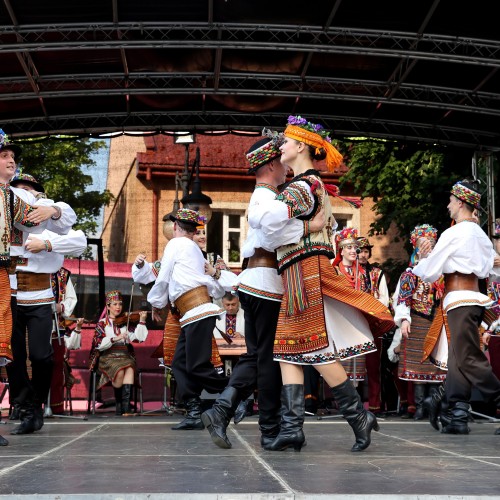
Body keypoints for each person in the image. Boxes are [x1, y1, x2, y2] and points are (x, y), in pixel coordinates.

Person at [248, 116, 394, 452]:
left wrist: (266, 213)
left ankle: (357, 417)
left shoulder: (302, 186)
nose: (279, 146)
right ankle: (293, 427)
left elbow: (265, 220)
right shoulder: (307, 185)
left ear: (300, 146)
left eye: (284, 141)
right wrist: (303, 228)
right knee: (287, 350)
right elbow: (273, 230)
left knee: (311, 347)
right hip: (297, 271)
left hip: (304, 272)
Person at [201, 134, 325, 449]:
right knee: (269, 359)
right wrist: (309, 227)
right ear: (271, 163)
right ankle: (266, 428)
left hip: (256, 280)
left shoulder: (265, 194)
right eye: (281, 162)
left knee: (258, 357)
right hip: (267, 280)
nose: (286, 168)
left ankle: (225, 409)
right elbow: (271, 234)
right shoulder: (268, 198)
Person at [0, 143, 77, 442]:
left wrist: (53, 210)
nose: (12, 162)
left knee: (38, 356)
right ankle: (23, 404)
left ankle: (32, 406)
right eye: (5, 157)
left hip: (28, 291)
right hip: (11, 286)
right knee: (12, 355)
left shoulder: (14, 199)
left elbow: (68, 230)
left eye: (13, 158)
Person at [413, 179, 499, 434]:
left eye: (451, 201)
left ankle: (490, 399)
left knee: (468, 357)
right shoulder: (479, 233)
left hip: (459, 300)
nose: (448, 205)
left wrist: (423, 255)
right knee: (458, 359)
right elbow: (492, 268)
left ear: (460, 202)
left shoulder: (454, 233)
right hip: (471, 298)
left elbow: (430, 272)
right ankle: (458, 414)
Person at [148, 208, 235, 430]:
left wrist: (156, 302)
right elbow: (214, 289)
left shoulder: (176, 245)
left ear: (175, 227)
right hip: (193, 314)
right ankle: (194, 411)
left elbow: (164, 276)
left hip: (196, 313)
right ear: (194, 230)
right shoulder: (196, 251)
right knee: (179, 363)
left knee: (196, 366)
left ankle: (237, 393)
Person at [393, 224, 447, 420]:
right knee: (417, 363)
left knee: (436, 365)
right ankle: (420, 407)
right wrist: (404, 320)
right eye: (423, 245)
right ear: (416, 247)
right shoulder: (411, 272)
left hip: (438, 321)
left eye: (431, 244)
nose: (427, 248)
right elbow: (403, 298)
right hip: (417, 320)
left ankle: (435, 406)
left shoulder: (443, 272)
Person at [89, 290, 148, 415]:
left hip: (125, 355)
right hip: (108, 357)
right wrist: (115, 338)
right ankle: (119, 404)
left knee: (130, 368)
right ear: (108, 306)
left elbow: (138, 338)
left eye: (120, 304)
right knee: (120, 369)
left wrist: (142, 321)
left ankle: (125, 408)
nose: (118, 307)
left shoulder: (125, 322)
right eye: (115, 304)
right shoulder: (102, 324)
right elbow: (98, 344)